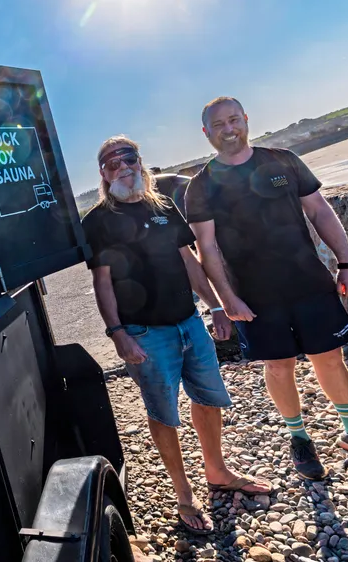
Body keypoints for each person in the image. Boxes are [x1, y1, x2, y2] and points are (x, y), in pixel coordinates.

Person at [185, 96, 348, 479]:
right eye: (218, 125)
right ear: (206, 133)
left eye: (234, 119)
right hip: (253, 295)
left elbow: (319, 210)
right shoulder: (202, 186)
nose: (229, 129)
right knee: (279, 365)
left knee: (329, 357)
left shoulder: (281, 160)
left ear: (246, 119)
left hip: (308, 281)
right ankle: (298, 437)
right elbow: (206, 247)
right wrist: (227, 299)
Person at [82, 135, 271, 535]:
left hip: (189, 323)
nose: (122, 168)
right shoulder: (98, 220)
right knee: (163, 413)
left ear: (140, 162)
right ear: (103, 174)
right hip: (145, 334)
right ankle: (184, 493)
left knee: (207, 397)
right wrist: (117, 333)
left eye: (128, 158)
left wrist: (216, 306)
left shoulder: (164, 205)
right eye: (111, 163)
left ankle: (216, 470)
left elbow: (190, 261)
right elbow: (103, 282)